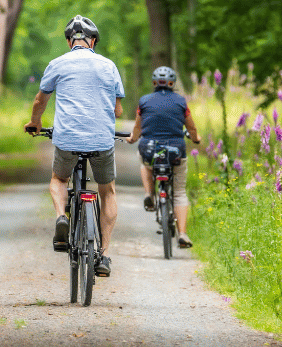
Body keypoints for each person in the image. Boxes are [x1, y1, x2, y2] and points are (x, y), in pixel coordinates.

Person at [24, 15, 125, 277]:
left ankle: (61, 217)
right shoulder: (108, 65)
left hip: (67, 138)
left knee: (59, 178)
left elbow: (39, 101)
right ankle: (103, 254)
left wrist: (35, 123)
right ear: (93, 41)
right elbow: (118, 109)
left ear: (70, 41)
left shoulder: (57, 64)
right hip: (102, 139)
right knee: (108, 191)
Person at [125, 66, 202, 248]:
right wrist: (196, 138)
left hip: (150, 150)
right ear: (172, 83)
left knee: (144, 162)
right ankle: (182, 234)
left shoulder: (144, 101)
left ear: (154, 83)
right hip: (175, 151)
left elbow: (137, 128)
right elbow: (191, 128)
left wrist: (133, 138)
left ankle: (149, 194)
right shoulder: (181, 102)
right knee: (180, 193)